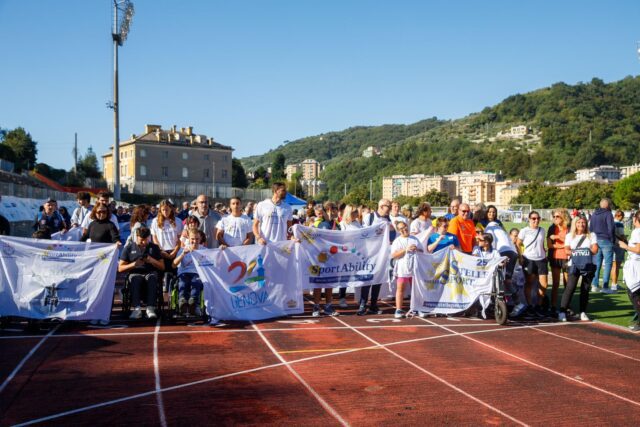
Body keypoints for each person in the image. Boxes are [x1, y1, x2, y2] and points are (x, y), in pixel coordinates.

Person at [118, 226, 165, 320]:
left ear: (149, 237)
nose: (144, 243)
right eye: (141, 240)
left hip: (150, 271)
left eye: (146, 240)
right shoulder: (129, 248)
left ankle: (150, 308)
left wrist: (152, 260)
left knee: (152, 278)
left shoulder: (154, 247)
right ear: (136, 237)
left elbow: (162, 266)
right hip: (135, 272)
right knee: (135, 279)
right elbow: (120, 268)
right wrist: (134, 264)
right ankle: (137, 308)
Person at [558, 216, 598, 322]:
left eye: (583, 222)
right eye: (579, 222)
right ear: (575, 224)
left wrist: (578, 252)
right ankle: (562, 311)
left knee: (585, 289)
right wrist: (582, 252)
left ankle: (583, 312)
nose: (581, 224)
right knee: (570, 288)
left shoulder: (592, 235)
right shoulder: (569, 236)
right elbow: (566, 250)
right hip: (574, 265)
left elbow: (595, 249)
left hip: (589, 265)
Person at [358, 199, 393, 315]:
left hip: (381, 254)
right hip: (369, 253)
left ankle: (373, 304)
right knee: (367, 278)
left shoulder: (388, 218)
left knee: (378, 278)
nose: (390, 208)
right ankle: (363, 304)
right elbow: (363, 233)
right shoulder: (370, 217)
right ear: (381, 206)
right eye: (389, 206)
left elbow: (391, 233)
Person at [310, 201, 340, 317]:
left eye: (335, 210)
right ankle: (316, 306)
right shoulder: (320, 224)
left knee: (329, 283)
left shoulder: (336, 224)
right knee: (319, 283)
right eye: (333, 209)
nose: (335, 212)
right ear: (327, 211)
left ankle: (328, 306)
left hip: (333, 257)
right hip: (320, 257)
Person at [517, 211, 549, 317]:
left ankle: (538, 306)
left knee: (544, 285)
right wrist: (520, 256)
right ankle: (530, 306)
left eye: (538, 218)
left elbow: (541, 244)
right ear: (529, 219)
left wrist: (544, 252)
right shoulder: (524, 231)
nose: (536, 220)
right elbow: (518, 243)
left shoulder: (542, 230)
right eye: (533, 218)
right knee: (529, 283)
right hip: (529, 259)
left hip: (542, 259)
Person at [390, 221, 422, 318]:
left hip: (414, 268)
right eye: (401, 229)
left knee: (415, 289)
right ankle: (399, 309)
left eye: (405, 227)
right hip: (402, 268)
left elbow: (422, 251)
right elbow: (394, 255)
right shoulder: (397, 241)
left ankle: (416, 307)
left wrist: (417, 249)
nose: (404, 230)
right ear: (398, 231)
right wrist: (406, 249)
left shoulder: (415, 239)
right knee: (400, 289)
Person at [150, 199, 183, 290]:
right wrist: (160, 251)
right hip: (161, 253)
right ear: (160, 210)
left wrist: (175, 251)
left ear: (171, 209)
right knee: (160, 276)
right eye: (163, 210)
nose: (165, 212)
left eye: (167, 210)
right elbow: (155, 238)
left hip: (174, 252)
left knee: (174, 277)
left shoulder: (178, 221)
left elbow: (180, 239)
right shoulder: (155, 221)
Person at [172, 229, 205, 316]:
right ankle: (182, 302)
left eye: (197, 239)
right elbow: (173, 265)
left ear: (200, 238)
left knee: (196, 282)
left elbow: (215, 257)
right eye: (192, 239)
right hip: (184, 273)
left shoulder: (204, 250)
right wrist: (183, 254)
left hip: (197, 273)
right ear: (189, 239)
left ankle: (193, 303)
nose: (195, 241)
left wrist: (222, 249)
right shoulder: (183, 249)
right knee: (183, 282)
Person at [618, 211, 640, 331]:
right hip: (635, 263)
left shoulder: (637, 231)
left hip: (636, 265)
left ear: (636, 219)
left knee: (633, 292)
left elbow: (638, 249)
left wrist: (625, 246)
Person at [338, 204, 362, 308]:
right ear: (349, 213)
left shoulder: (357, 223)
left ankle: (359, 297)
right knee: (345, 276)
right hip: (346, 254)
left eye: (357, 211)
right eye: (355, 212)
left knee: (359, 275)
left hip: (357, 253)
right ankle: (342, 298)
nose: (357, 213)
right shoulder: (342, 224)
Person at [547, 208, 570, 316]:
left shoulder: (569, 228)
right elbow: (549, 245)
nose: (555, 218)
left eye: (558, 216)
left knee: (567, 284)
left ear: (563, 217)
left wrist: (557, 237)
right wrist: (563, 244)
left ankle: (566, 306)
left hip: (567, 257)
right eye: (554, 216)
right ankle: (553, 306)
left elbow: (570, 242)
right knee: (555, 284)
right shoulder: (552, 228)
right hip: (555, 257)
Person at [589, 198, 615, 294]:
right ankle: (605, 286)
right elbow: (611, 228)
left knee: (597, 263)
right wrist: (612, 240)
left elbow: (590, 227)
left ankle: (594, 285)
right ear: (607, 205)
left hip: (596, 239)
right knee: (608, 264)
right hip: (606, 240)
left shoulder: (594, 214)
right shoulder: (608, 214)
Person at [611, 209, 627, 292]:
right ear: (620, 216)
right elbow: (622, 235)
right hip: (618, 245)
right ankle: (614, 284)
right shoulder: (619, 223)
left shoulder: (611, 222)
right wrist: (626, 241)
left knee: (613, 266)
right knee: (616, 266)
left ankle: (614, 284)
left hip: (611, 244)